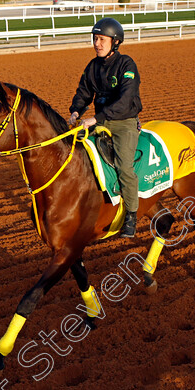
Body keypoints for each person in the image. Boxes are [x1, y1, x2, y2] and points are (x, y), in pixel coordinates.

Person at [68, 18, 142, 238]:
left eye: (101, 39)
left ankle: (131, 215)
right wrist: (76, 111)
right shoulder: (92, 66)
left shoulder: (126, 64)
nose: (96, 43)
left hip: (124, 123)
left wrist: (96, 119)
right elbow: (83, 93)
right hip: (98, 119)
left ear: (115, 42)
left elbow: (125, 99)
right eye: (95, 39)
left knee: (124, 166)